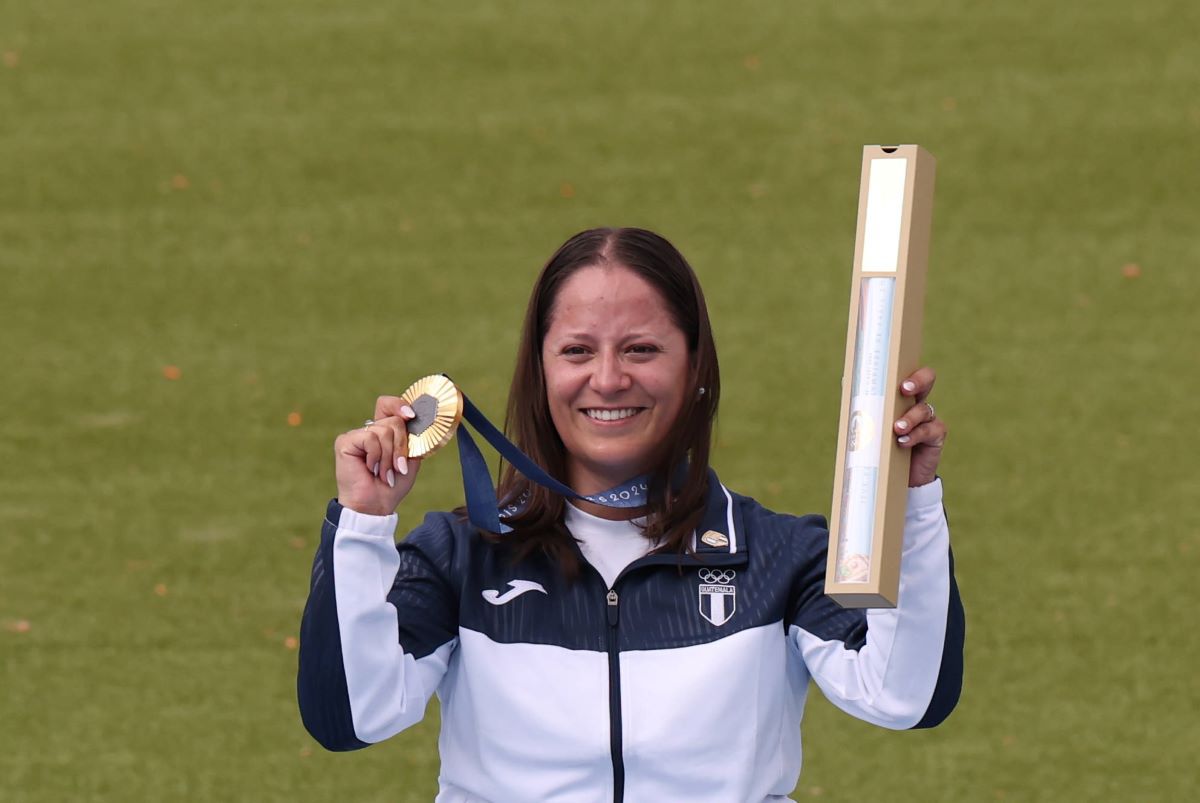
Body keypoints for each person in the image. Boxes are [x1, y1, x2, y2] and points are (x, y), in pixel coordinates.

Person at [297, 227, 964, 802]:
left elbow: (905, 696)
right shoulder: (464, 554)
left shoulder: (776, 556)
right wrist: (363, 523)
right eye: (577, 351)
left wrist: (906, 503)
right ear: (540, 370)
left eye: (641, 349)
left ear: (695, 366)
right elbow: (350, 716)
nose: (609, 379)